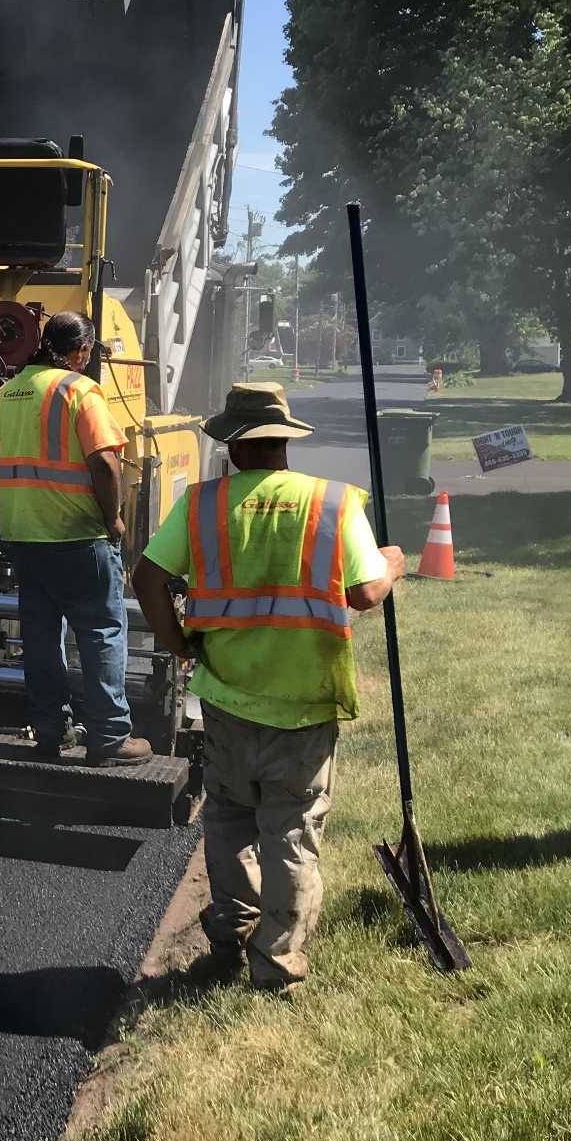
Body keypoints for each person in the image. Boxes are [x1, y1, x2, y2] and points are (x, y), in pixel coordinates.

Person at [131, 382, 403, 991]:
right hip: (305, 701)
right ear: (285, 440)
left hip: (226, 697)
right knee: (293, 829)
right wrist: (392, 564)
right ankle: (276, 962)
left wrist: (178, 646)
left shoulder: (201, 506)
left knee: (228, 819)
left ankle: (230, 930)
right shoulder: (333, 504)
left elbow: (146, 577)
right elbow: (363, 593)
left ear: (228, 444)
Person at [0, 310, 152, 767]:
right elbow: (106, 463)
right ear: (80, 351)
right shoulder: (81, 390)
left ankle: (49, 732)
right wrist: (113, 518)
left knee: (40, 635)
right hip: (78, 535)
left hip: (24, 536)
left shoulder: (6, 394)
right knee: (100, 631)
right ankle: (111, 737)